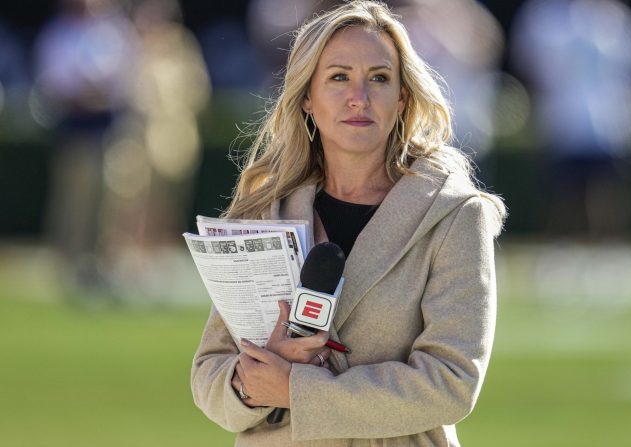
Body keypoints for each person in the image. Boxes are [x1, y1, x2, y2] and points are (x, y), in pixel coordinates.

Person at [190, 1, 505, 445]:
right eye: (338, 77)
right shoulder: (263, 208)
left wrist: (297, 390)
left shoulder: (455, 214)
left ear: (402, 98)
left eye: (379, 78)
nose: (359, 96)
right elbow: (210, 369)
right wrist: (249, 383)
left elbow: (451, 382)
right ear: (306, 98)